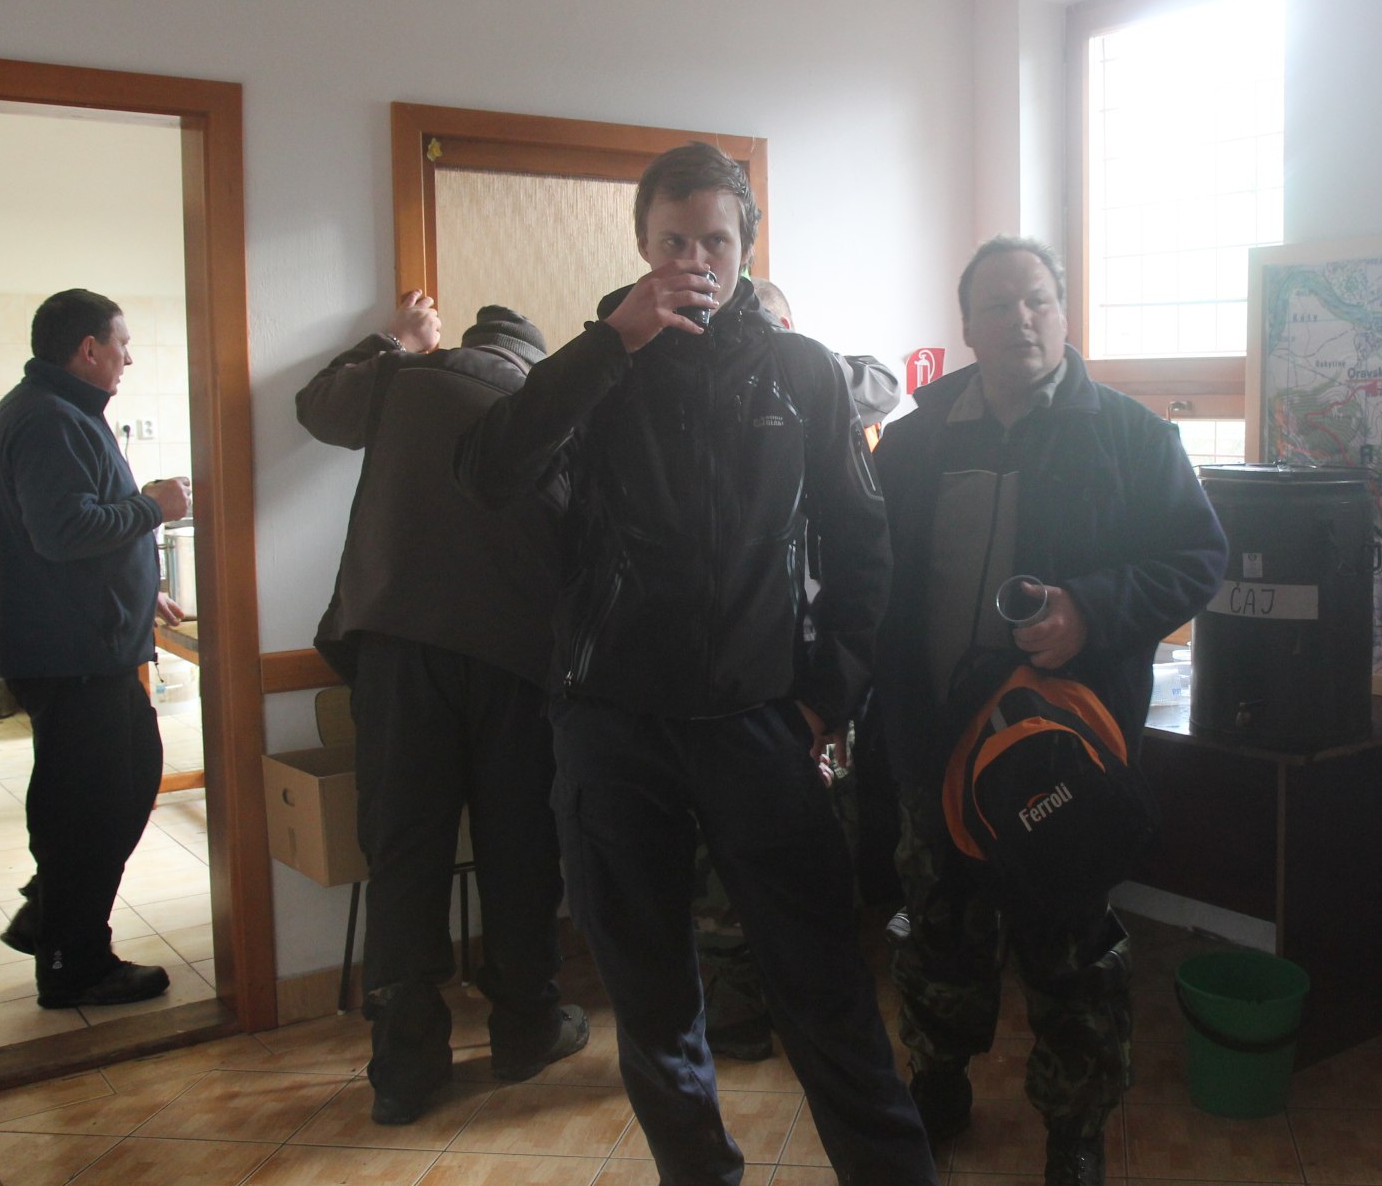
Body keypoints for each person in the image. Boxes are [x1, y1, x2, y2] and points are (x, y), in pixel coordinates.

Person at [458, 141, 937, 1186]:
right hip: (613, 725)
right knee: (652, 1000)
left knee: (825, 986)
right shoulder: (598, 368)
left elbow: (864, 547)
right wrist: (609, 343)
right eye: (672, 241)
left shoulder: (803, 372)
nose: (693, 261)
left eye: (713, 241)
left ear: (745, 247)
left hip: (760, 723)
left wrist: (825, 699)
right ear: (643, 245)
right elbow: (488, 472)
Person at [871, 237, 1227, 1185]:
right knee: (938, 932)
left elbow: (1199, 558)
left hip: (1063, 755)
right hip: (933, 746)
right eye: (997, 305)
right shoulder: (914, 441)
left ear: (1063, 311)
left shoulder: (1132, 437)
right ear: (967, 326)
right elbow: (873, 577)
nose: (1020, 320)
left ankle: (1075, 1128)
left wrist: (1093, 610)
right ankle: (938, 1081)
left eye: (1036, 300)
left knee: (1069, 947)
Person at [296, 294, 589, 1124]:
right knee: (521, 850)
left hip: (399, 651)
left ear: (470, 343)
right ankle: (526, 1028)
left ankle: (404, 1067)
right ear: (533, 358)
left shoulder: (405, 379)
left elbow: (315, 407)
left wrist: (395, 338)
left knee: (404, 851)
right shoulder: (558, 403)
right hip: (518, 664)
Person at [694, 277, 902, 1064]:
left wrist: (828, 699)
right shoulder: (714, 398)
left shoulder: (813, 383)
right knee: (744, 854)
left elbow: (882, 380)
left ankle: (768, 1004)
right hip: (755, 679)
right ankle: (752, 1007)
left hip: (802, 680)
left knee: (787, 844)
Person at [0, 288, 192, 1008]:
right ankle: (73, 962)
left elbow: (74, 529)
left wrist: (137, 590)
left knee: (120, 782)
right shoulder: (49, 420)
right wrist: (156, 505)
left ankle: (52, 916)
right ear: (88, 349)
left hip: (84, 643)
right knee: (90, 805)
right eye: (122, 345)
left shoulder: (57, 411)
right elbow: (64, 532)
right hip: (71, 653)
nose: (129, 358)